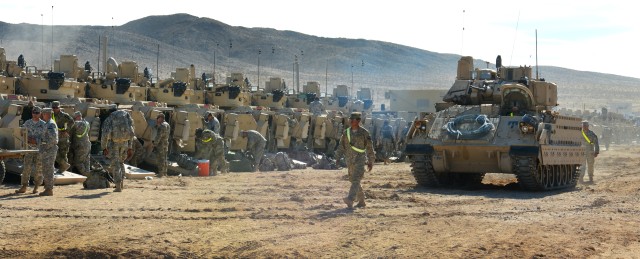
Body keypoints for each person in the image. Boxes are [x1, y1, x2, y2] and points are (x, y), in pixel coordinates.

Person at [335, 112, 375, 208]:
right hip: (349, 161)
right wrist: (337, 158)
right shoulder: (346, 133)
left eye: (353, 120)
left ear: (358, 121)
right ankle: (361, 201)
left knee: (356, 179)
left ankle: (350, 199)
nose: (350, 121)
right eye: (350, 119)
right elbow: (341, 147)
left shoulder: (364, 133)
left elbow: (370, 148)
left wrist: (371, 161)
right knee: (354, 180)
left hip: (360, 160)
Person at [101, 109, 135, 192]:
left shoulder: (111, 117)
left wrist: (104, 147)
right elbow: (131, 132)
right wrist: (130, 147)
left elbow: (105, 134)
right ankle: (121, 183)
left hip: (114, 144)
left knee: (115, 164)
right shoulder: (126, 117)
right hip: (125, 143)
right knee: (121, 162)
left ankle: (118, 186)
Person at [15, 106, 45, 194]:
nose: (35, 114)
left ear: (40, 114)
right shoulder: (27, 123)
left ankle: (36, 186)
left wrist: (35, 141)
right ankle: (24, 186)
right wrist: (25, 137)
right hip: (28, 148)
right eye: (33, 113)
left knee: (38, 168)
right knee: (26, 167)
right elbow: (22, 132)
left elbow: (45, 138)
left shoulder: (43, 124)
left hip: (39, 149)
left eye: (37, 113)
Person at [39, 108, 59, 196]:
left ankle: (49, 189)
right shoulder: (47, 123)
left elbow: (53, 139)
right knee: (46, 169)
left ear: (47, 114)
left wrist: (45, 147)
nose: (42, 115)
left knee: (48, 169)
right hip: (47, 150)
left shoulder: (50, 124)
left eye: (43, 114)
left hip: (49, 150)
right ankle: (47, 187)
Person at [51, 101, 74, 173]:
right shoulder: (51, 115)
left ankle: (63, 169)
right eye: (53, 108)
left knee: (63, 153)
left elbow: (72, 122)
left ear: (59, 107)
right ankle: (64, 165)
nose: (55, 109)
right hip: (54, 136)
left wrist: (67, 130)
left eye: (56, 107)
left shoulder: (64, 115)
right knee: (54, 152)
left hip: (63, 137)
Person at [70, 111, 91, 176]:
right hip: (87, 144)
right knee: (86, 161)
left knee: (77, 162)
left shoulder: (77, 123)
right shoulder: (86, 123)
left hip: (80, 146)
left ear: (77, 117)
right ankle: (89, 175)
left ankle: (86, 175)